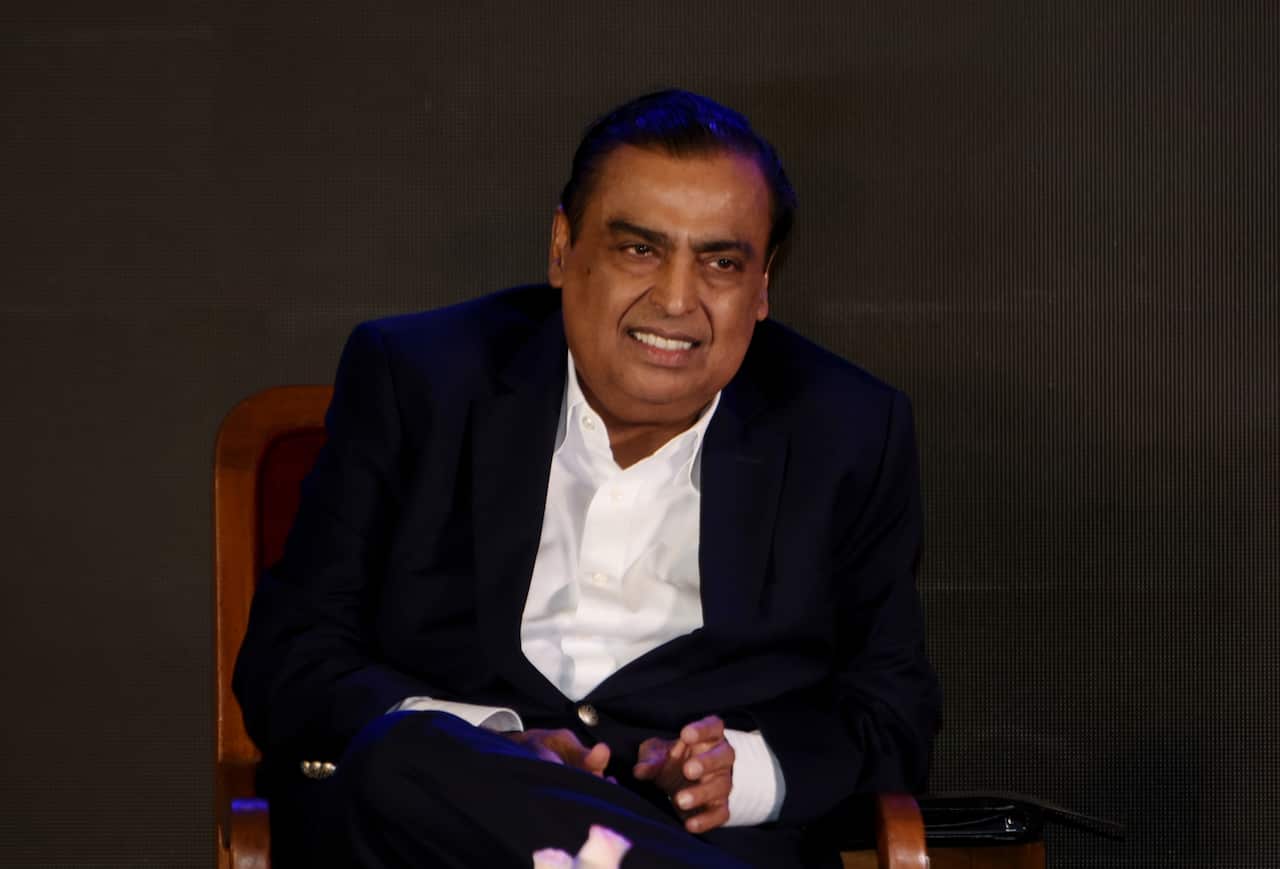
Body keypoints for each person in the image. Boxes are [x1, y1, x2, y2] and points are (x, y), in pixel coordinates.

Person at [233, 89, 941, 868]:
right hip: (439, 842)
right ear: (564, 248)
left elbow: (893, 716)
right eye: (640, 249)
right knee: (405, 754)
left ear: (763, 283)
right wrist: (492, 752)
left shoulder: (846, 429)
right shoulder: (420, 381)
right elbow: (290, 659)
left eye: (720, 262)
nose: (676, 301)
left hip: (701, 839)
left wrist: (744, 776)